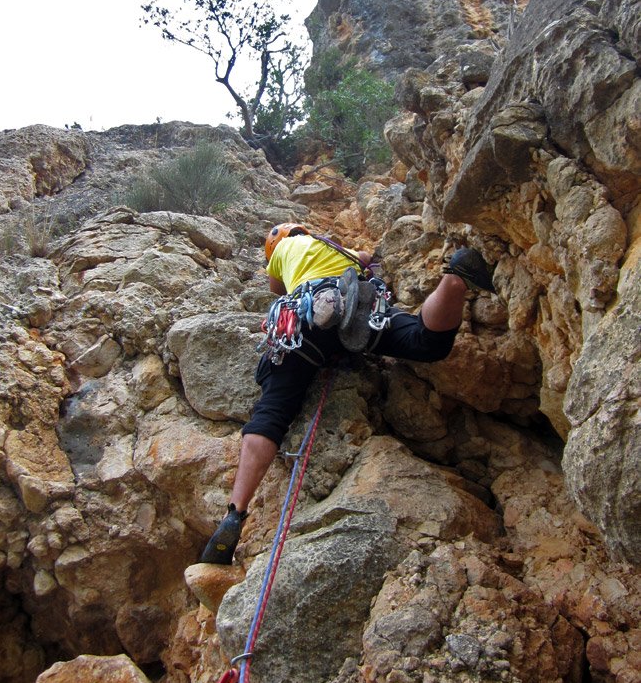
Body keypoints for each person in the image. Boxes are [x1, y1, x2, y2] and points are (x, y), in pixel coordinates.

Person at [200, 223, 495, 565]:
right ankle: (454, 280)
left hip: (307, 318)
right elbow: (370, 260)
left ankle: (236, 512)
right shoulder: (340, 249)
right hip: (360, 310)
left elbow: (276, 289)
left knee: (272, 411)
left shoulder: (281, 251)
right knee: (423, 340)